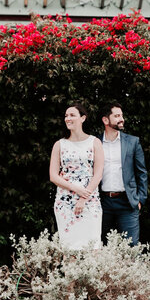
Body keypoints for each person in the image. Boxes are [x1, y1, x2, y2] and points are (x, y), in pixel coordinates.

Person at [49, 103, 104, 250]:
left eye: (72, 115)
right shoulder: (59, 144)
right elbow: (53, 176)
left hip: (90, 201)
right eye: (66, 116)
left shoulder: (95, 142)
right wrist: (75, 189)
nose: (68, 118)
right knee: (69, 249)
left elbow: (98, 174)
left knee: (93, 249)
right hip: (65, 203)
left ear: (83, 118)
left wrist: (83, 197)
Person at [98, 103, 148, 245]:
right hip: (103, 202)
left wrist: (140, 199)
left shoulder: (133, 142)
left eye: (122, 115)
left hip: (127, 202)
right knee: (101, 246)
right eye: (117, 116)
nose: (122, 119)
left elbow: (142, 172)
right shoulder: (96, 142)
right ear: (105, 120)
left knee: (131, 247)